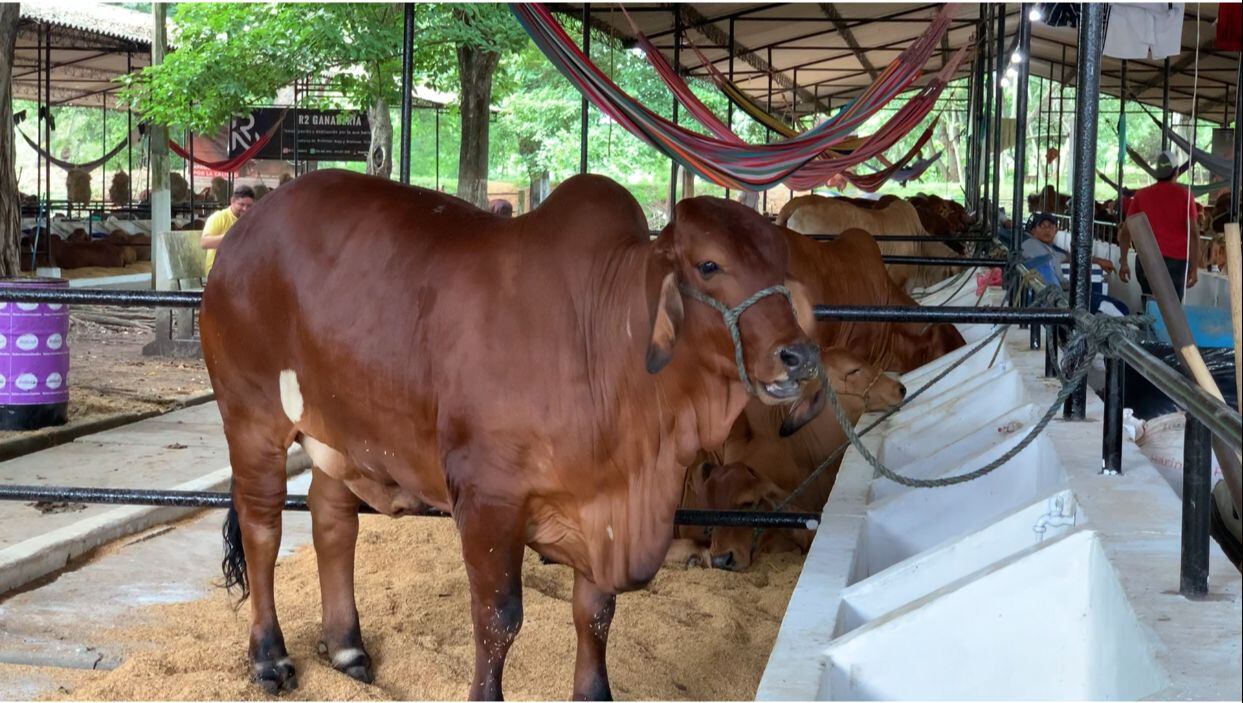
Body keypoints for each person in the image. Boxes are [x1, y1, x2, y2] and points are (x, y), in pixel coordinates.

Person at [1117, 151, 1199, 300]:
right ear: (1176, 172)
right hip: (1175, 263)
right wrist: (1194, 267)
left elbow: (1125, 232)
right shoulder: (1185, 196)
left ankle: (1148, 323)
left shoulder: (1141, 195)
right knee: (1172, 312)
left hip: (1146, 261)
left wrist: (1123, 262)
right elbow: (1193, 233)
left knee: (1149, 306)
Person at [201, 185, 255, 276]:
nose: (245, 209)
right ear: (232, 201)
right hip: (218, 272)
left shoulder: (252, 221)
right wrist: (230, 237)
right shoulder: (219, 217)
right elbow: (204, 243)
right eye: (241, 204)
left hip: (242, 271)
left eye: (249, 206)